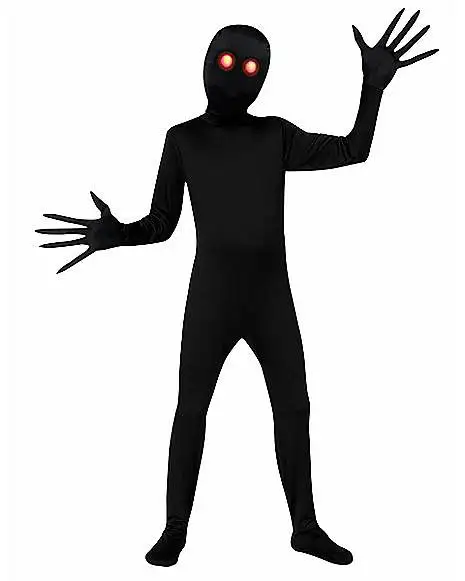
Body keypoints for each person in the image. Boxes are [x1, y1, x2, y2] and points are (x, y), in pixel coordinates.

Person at [36, 11, 438, 566]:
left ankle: (305, 528)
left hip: (270, 297)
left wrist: (373, 89)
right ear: (206, 64)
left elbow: (353, 149)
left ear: (263, 78)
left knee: (293, 407)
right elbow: (162, 224)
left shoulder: (275, 135)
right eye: (227, 61)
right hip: (214, 298)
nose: (236, 74)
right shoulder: (184, 139)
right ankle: (174, 530)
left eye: (251, 67)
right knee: (191, 409)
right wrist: (119, 234)